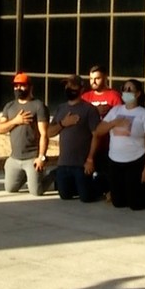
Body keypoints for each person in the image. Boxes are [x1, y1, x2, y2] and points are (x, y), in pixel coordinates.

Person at [94, 79, 145, 210]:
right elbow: (99, 131)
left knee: (135, 204)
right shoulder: (115, 110)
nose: (126, 92)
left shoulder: (144, 115)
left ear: (138, 94)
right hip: (115, 160)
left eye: (130, 90)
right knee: (118, 202)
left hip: (135, 160)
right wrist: (114, 123)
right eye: (124, 89)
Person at [0, 73, 53, 196]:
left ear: (30, 87)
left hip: (32, 157)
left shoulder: (38, 106)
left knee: (36, 192)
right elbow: (0, 129)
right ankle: (28, 176)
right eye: (16, 86)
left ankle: (53, 175)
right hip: (15, 158)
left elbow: (44, 134)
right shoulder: (9, 106)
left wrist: (41, 157)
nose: (18, 88)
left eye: (22, 86)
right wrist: (16, 121)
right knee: (10, 188)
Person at [48, 74, 101, 202]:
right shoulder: (61, 108)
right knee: (65, 196)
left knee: (87, 198)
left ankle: (101, 181)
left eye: (72, 85)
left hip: (81, 164)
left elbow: (96, 135)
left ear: (81, 89)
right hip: (63, 163)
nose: (68, 87)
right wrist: (63, 123)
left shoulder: (89, 109)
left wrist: (90, 159)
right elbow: (49, 132)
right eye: (67, 85)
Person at [81, 65, 123, 195]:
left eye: (97, 78)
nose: (93, 82)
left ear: (105, 78)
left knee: (107, 177)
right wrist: (95, 111)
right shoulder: (85, 97)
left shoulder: (114, 96)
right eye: (91, 78)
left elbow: (120, 118)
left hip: (107, 145)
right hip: (88, 144)